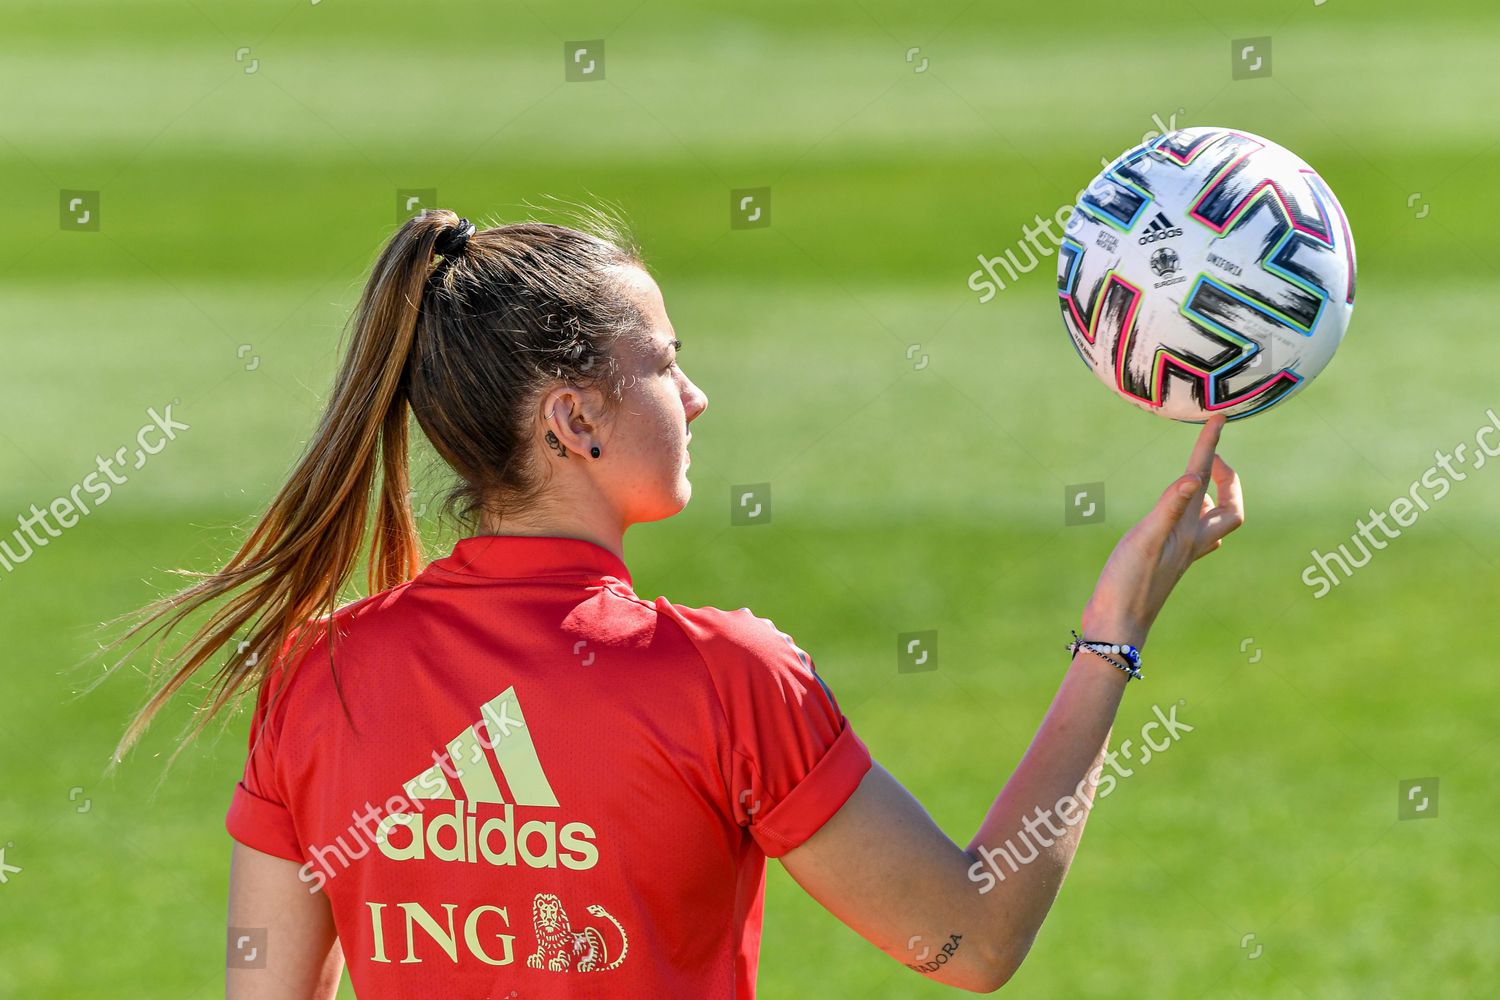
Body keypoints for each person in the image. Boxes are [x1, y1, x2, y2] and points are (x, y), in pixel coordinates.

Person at [113, 208, 1243, 998]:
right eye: (662, 363)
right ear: (572, 420)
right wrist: (1113, 636)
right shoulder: (725, 676)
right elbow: (972, 937)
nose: (696, 397)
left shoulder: (318, 674)